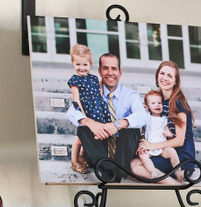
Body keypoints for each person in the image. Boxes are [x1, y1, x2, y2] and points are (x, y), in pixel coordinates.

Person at [65, 51, 145, 180]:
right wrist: (91, 123)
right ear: (99, 71)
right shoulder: (91, 92)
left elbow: (142, 116)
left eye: (114, 68)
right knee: (83, 128)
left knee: (132, 128)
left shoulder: (131, 95)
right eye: (105, 68)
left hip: (122, 148)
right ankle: (109, 170)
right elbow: (72, 111)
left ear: (120, 72)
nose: (110, 72)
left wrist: (117, 125)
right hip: (100, 145)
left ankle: (115, 172)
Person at [136, 60, 199, 181]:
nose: (164, 78)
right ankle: (167, 180)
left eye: (169, 75)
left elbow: (179, 141)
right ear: (157, 75)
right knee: (135, 161)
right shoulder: (157, 100)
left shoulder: (178, 104)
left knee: (135, 165)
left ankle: (174, 184)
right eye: (162, 73)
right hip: (162, 150)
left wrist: (152, 146)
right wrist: (143, 143)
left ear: (176, 81)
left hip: (180, 158)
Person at [130, 89, 183, 181]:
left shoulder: (164, 119)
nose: (157, 105)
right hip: (149, 148)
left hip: (162, 147)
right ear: (148, 106)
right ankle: (154, 172)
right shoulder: (147, 117)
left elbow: (169, 132)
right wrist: (144, 110)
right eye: (153, 103)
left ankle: (178, 171)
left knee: (172, 151)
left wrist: (169, 134)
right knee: (143, 156)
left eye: (159, 103)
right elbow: (141, 126)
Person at [66, 44, 100, 172]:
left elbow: (98, 95)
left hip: (95, 112)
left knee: (88, 138)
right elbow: (76, 100)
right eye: (78, 64)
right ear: (73, 63)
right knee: (80, 139)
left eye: (85, 65)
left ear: (90, 63)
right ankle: (74, 161)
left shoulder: (94, 79)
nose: (82, 68)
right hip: (84, 113)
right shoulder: (75, 80)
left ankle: (81, 157)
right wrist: (84, 117)